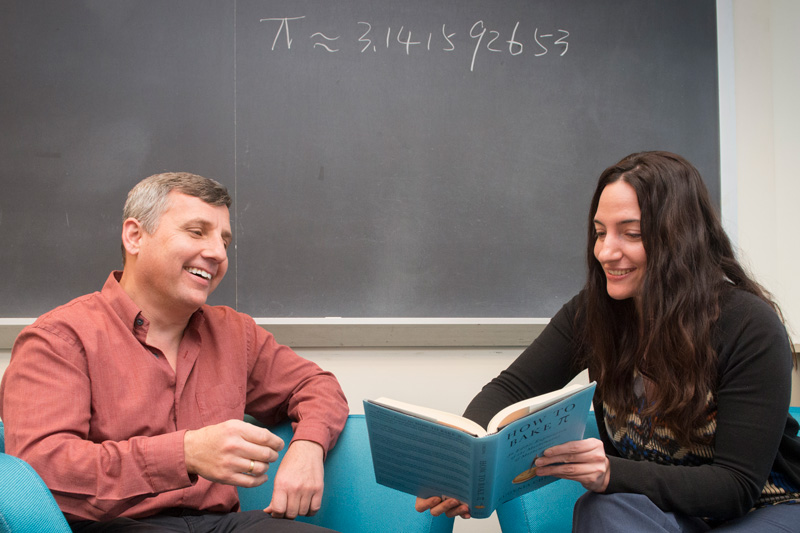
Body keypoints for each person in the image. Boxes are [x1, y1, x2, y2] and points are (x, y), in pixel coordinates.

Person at [416, 151, 800, 530]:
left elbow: (734, 488)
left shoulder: (751, 326)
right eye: (600, 233)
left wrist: (611, 472)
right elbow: (511, 388)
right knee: (601, 509)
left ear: (681, 238)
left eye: (630, 234)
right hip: (668, 513)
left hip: (763, 509)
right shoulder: (594, 312)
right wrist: (462, 462)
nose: (605, 251)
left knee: (610, 498)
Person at [0, 172, 349, 532]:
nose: (217, 253)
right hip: (116, 526)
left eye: (224, 240)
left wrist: (309, 446)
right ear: (135, 236)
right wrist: (186, 453)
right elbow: (42, 469)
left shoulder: (235, 332)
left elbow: (317, 386)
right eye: (197, 232)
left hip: (222, 523)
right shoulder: (58, 339)